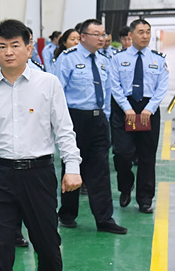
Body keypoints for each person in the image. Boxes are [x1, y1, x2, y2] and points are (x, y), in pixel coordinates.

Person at [0, 19, 82, 271]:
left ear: (29, 49)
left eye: (15, 45)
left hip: (38, 176)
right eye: (2, 46)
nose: (9, 52)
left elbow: (64, 130)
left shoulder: (48, 84)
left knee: (48, 249)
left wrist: (72, 167)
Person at [54, 18, 127, 234]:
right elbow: (57, 93)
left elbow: (107, 92)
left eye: (103, 34)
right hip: (75, 119)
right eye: (97, 34)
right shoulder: (67, 59)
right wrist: (61, 124)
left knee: (100, 170)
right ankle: (67, 214)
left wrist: (105, 117)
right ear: (83, 37)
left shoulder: (104, 60)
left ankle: (104, 219)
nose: (102, 38)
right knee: (71, 165)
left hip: (98, 120)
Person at [109, 19, 169, 213]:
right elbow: (114, 85)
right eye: (141, 32)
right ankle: (126, 186)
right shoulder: (118, 59)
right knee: (122, 153)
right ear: (131, 35)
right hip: (123, 107)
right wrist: (126, 108)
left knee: (147, 156)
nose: (145, 36)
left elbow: (162, 87)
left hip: (148, 109)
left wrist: (149, 108)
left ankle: (145, 199)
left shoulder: (158, 59)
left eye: (148, 32)